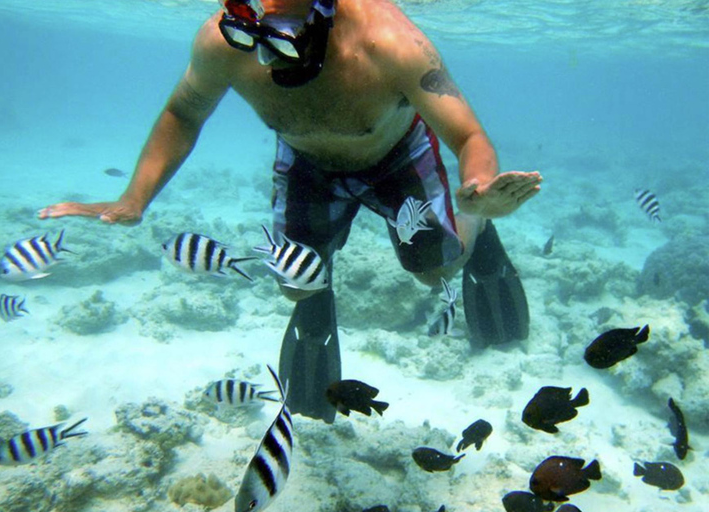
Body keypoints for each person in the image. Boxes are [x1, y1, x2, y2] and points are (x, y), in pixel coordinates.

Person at [40, 0, 542, 421]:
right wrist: (135, 198)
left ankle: (473, 229)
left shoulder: (390, 43)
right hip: (305, 162)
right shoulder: (223, 41)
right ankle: (317, 283)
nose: (267, 54)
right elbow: (183, 112)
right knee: (294, 283)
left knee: (437, 273)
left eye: (283, 36)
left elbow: (468, 135)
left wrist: (478, 190)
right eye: (254, 29)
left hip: (396, 157)